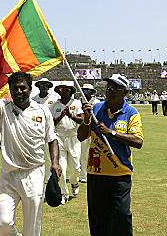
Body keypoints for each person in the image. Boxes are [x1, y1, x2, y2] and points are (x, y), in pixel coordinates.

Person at [0, 52, 61, 236]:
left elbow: (52, 139)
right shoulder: (3, 109)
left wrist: (55, 162)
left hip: (34, 174)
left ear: (30, 89)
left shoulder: (42, 111)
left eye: (23, 88)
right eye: (15, 88)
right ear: (10, 90)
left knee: (32, 228)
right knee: (4, 223)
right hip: (9, 176)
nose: (19, 92)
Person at [77, 74, 144, 236]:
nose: (110, 91)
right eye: (108, 87)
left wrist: (111, 133)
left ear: (125, 93)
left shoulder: (131, 113)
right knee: (98, 218)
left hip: (120, 174)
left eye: (115, 88)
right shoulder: (96, 109)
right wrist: (86, 118)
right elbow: (81, 136)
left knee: (121, 215)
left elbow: (138, 141)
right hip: (96, 174)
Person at [50, 82, 84, 204]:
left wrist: (70, 115)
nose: (64, 91)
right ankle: (64, 193)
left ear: (71, 91)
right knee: (61, 168)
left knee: (75, 167)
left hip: (73, 138)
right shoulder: (54, 105)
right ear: (59, 91)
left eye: (67, 90)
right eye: (62, 89)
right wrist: (61, 115)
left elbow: (82, 120)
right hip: (59, 138)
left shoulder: (76, 103)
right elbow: (51, 123)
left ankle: (74, 182)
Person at [31, 78, 58, 183]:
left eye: (45, 85)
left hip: (51, 129)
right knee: (38, 154)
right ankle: (40, 175)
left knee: (49, 155)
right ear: (38, 87)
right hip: (37, 129)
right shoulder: (33, 100)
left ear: (48, 87)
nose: (43, 87)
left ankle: (48, 176)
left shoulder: (54, 99)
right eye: (41, 85)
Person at [79, 84, 100, 183]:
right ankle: (83, 175)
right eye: (83, 90)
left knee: (94, 154)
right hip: (84, 131)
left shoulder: (96, 103)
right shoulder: (79, 102)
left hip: (94, 132)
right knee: (83, 154)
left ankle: (93, 172)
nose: (84, 93)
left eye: (87, 91)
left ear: (91, 92)